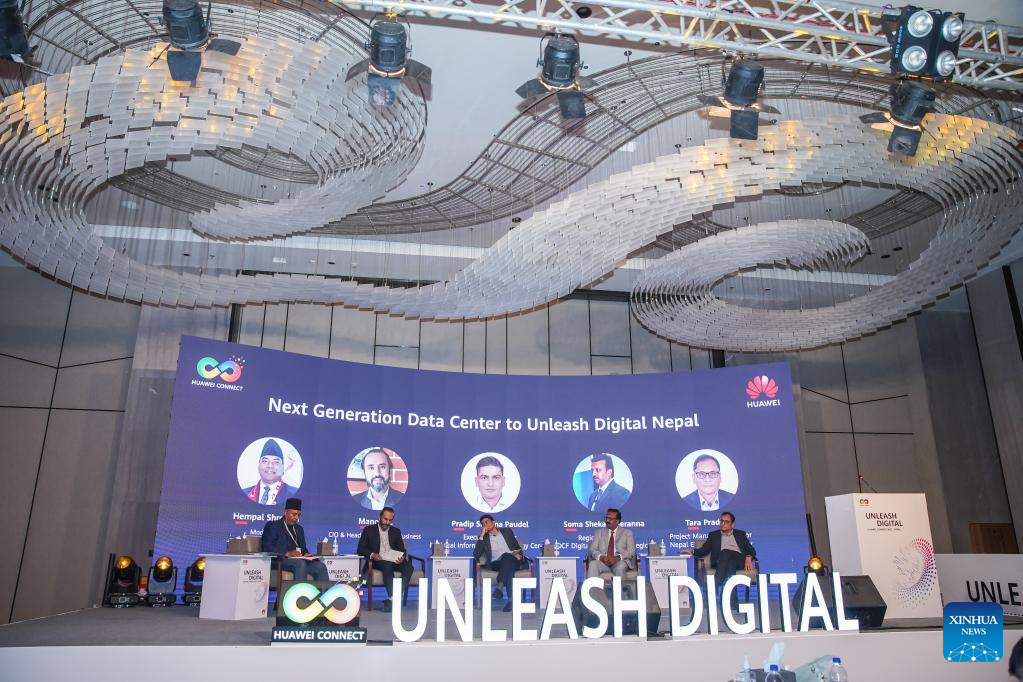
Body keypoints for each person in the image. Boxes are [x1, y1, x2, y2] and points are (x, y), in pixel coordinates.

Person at [683, 511, 755, 609]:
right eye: (721, 521)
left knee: (726, 551)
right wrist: (692, 551)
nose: (723, 524)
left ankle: (713, 588)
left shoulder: (740, 534)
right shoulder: (713, 535)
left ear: (733, 524)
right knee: (730, 566)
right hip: (721, 563)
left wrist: (749, 556)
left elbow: (751, 550)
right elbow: (704, 550)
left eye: (726, 522)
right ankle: (732, 603)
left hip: (739, 560)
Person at [357, 506, 413, 612]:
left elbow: (402, 549)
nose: (387, 522)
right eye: (385, 519)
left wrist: (401, 557)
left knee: (409, 567)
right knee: (387, 565)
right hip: (378, 560)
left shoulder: (396, 531)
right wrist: (372, 554)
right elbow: (361, 549)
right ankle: (393, 599)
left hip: (394, 560)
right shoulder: (368, 530)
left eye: (390, 520)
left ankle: (392, 599)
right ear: (380, 517)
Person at [260, 498, 328, 581]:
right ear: (285, 512)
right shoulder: (273, 526)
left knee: (320, 566)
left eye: (299, 515)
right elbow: (267, 547)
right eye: (294, 514)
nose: (296, 517)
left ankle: (323, 590)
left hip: (299, 560)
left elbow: (303, 549)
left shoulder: (299, 529)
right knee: (300, 564)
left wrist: (306, 554)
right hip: (280, 560)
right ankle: (300, 590)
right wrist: (287, 553)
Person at [473, 514, 529, 612]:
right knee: (508, 565)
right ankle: (509, 598)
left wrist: (518, 554)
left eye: (487, 522)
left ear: (493, 522)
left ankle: (501, 588)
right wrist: (481, 536)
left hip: (513, 560)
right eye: (483, 524)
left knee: (507, 556)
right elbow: (476, 554)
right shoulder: (483, 538)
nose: (485, 524)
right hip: (496, 564)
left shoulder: (507, 531)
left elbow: (516, 546)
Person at [244, 438, 298, 505]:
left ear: (282, 467)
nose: (270, 466)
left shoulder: (294, 494)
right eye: (265, 461)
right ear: (258, 466)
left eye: (276, 462)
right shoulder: (246, 493)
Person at [587, 508, 636, 580]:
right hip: (603, 562)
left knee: (620, 567)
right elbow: (592, 549)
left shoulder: (627, 533)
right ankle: (593, 587)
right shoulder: (599, 532)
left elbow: (631, 552)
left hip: (620, 561)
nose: (607, 520)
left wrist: (617, 558)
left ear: (617, 521)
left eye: (610, 518)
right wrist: (601, 557)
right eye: (606, 518)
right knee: (592, 564)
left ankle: (621, 587)